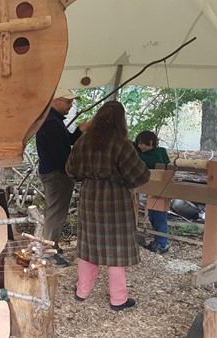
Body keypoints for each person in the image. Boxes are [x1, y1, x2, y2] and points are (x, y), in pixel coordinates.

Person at [66, 101, 150, 311]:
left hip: (89, 198)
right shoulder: (121, 143)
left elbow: (70, 170)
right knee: (116, 251)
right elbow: (140, 176)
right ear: (121, 120)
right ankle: (118, 299)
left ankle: (82, 291)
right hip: (115, 201)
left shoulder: (83, 141)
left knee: (88, 247)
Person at [36, 88, 89, 267]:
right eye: (68, 101)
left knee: (54, 211)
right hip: (57, 174)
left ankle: (50, 245)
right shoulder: (51, 123)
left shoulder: (54, 121)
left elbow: (68, 142)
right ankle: (48, 252)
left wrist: (80, 130)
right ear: (55, 100)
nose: (70, 105)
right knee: (56, 213)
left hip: (54, 172)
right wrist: (74, 171)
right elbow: (61, 157)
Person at [135, 130, 171, 254]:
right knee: (152, 216)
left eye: (141, 143)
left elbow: (150, 162)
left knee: (159, 217)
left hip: (162, 189)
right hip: (153, 189)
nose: (139, 146)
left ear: (150, 142)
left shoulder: (159, 152)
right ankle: (158, 241)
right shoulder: (151, 152)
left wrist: (134, 152)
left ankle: (162, 244)